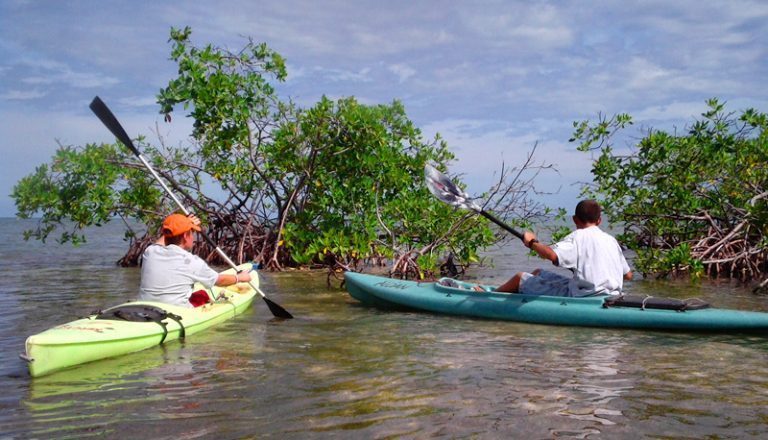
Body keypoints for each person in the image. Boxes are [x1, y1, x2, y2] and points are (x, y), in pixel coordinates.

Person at [496, 200, 632, 296]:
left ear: (574, 219)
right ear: (599, 220)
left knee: (520, 278)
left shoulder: (576, 238)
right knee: (538, 272)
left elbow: (552, 255)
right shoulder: (611, 240)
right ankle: (521, 294)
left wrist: (532, 242)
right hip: (611, 294)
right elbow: (628, 275)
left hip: (584, 296)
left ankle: (487, 297)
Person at [138, 213, 251, 307]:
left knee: (200, 294)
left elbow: (165, 238)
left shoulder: (150, 252)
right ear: (186, 236)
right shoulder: (192, 262)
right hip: (176, 312)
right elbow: (219, 281)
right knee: (202, 296)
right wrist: (240, 278)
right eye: (192, 232)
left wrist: (186, 222)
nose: (193, 237)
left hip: (145, 307)